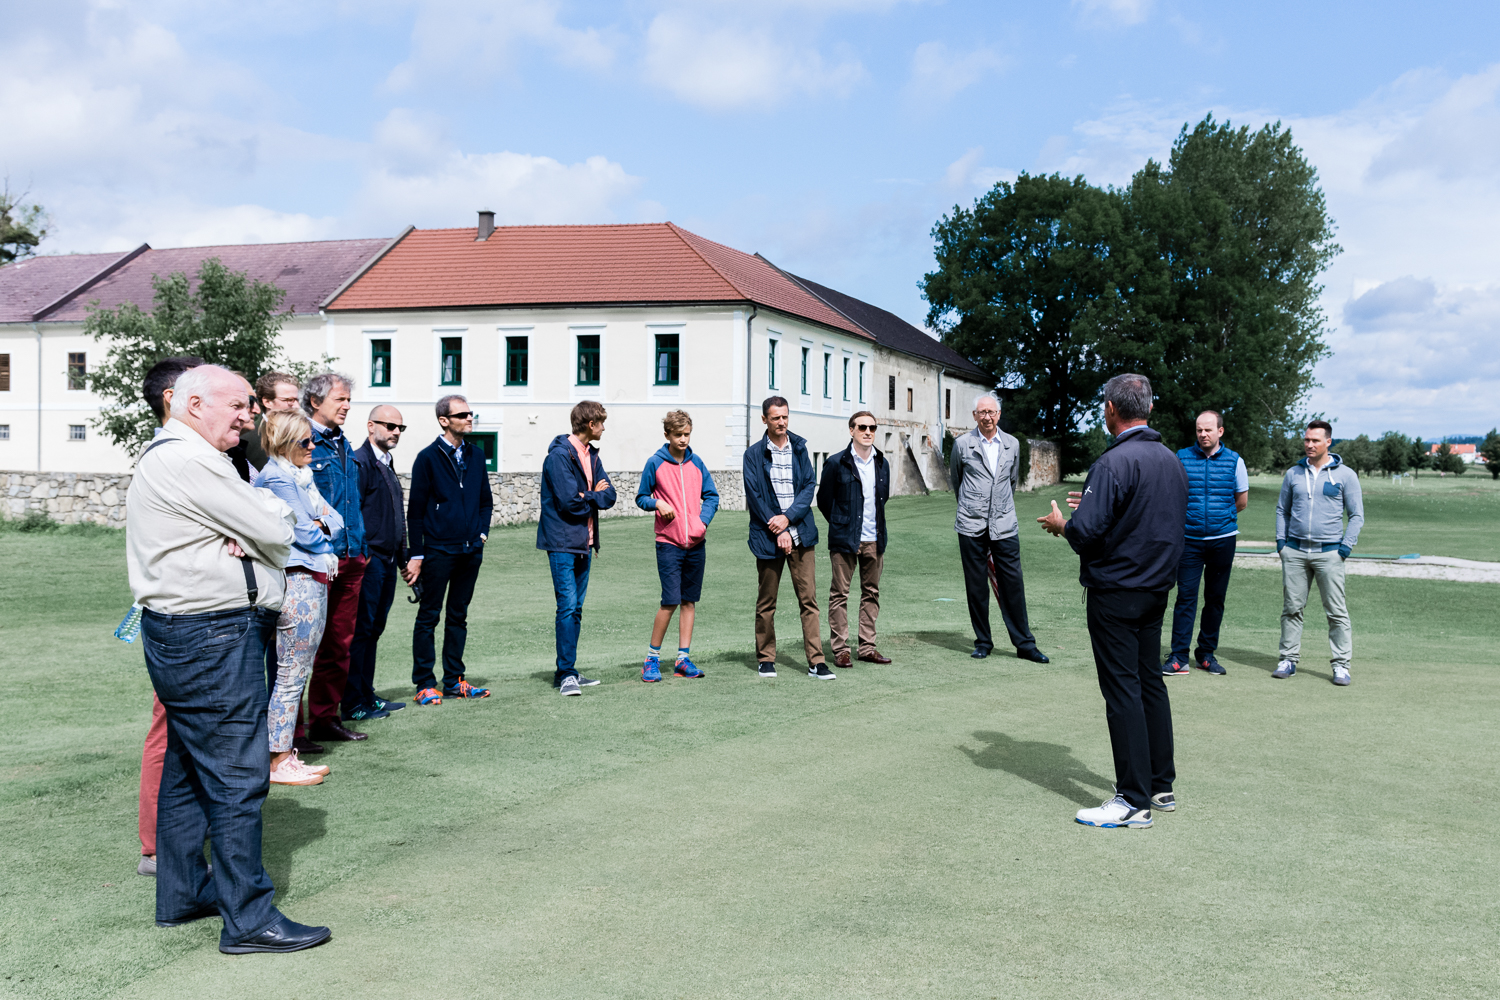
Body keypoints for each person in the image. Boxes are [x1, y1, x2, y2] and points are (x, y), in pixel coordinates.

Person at [127, 363, 330, 952]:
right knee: (239, 775)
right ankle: (249, 919)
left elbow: (266, 526)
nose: (250, 416)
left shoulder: (186, 457)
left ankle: (186, 891)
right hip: (212, 633)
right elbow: (276, 526)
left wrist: (263, 524)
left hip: (192, 631)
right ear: (192, 404)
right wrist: (267, 522)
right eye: (239, 405)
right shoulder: (188, 460)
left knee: (189, 770)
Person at [1038, 373, 1187, 829]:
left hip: (1117, 591)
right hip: (1155, 590)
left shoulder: (1113, 462)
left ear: (1110, 409)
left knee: (1123, 691)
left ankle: (1132, 800)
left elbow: (1084, 535)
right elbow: (1143, 513)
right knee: (1149, 684)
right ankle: (1160, 786)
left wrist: (1064, 523)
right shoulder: (1170, 459)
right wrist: (1098, 507)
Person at [134, 355, 204, 878]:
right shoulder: (168, 458)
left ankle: (179, 833)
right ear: (173, 400)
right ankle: (157, 844)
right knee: (170, 726)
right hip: (181, 615)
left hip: (204, 612)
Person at [253, 410, 342, 786]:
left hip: (312, 575)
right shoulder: (277, 476)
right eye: (306, 441)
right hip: (297, 578)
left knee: (295, 672)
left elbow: (335, 522)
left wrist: (321, 524)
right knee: (290, 674)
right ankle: (277, 760)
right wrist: (320, 525)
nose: (313, 447)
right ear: (286, 442)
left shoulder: (300, 477)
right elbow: (308, 533)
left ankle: (281, 754)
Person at [407, 395, 495, 704]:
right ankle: (424, 683)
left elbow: (485, 500)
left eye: (471, 413)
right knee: (429, 615)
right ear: (445, 420)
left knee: (459, 615)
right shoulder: (427, 458)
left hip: (471, 551)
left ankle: (455, 679)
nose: (470, 418)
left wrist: (481, 534)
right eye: (463, 414)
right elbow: (415, 511)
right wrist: (416, 554)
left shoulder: (475, 454)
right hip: (438, 551)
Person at [949, 393, 1049, 663]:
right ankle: (983, 642)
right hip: (971, 525)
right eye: (982, 412)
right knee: (976, 587)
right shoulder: (962, 445)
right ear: (974, 416)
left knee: (1013, 585)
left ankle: (1025, 645)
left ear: (999, 415)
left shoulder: (1012, 444)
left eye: (992, 412)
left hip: (1004, 525)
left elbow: (1011, 481)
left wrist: (998, 510)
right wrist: (974, 508)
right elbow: (957, 481)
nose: (987, 417)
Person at [298, 372, 369, 746]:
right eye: (339, 400)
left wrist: (361, 550)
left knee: (338, 645)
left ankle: (325, 719)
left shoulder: (344, 445)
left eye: (348, 400)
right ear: (315, 402)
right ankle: (292, 733)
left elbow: (352, 503)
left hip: (352, 559)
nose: (346, 406)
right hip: (316, 562)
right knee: (300, 646)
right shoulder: (301, 442)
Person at [1272, 420, 1365, 686]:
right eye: (1306, 440)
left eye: (1315, 440)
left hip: (1330, 554)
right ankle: (1288, 659)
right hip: (1296, 552)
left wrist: (1345, 548)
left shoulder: (1346, 475)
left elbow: (1357, 515)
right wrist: (1282, 543)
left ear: (1328, 442)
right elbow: (1282, 510)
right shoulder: (1293, 474)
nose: (1309, 445)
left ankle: (1341, 665)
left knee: (1336, 612)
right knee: (1292, 608)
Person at [743, 396, 828, 679]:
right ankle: (766, 658)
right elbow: (755, 497)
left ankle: (816, 661)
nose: (781, 422)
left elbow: (808, 488)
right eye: (776, 417)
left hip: (801, 533)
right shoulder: (753, 454)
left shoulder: (801, 448)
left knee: (809, 600)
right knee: (767, 601)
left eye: (785, 417)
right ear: (764, 419)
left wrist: (788, 521)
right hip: (768, 536)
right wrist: (778, 528)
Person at [537, 400, 616, 696]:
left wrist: (590, 494)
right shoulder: (559, 457)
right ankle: (567, 674)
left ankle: (566, 670)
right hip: (562, 543)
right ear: (590, 425)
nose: (604, 428)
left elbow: (611, 496)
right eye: (602, 423)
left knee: (576, 608)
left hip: (585, 542)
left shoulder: (591, 456)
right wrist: (593, 494)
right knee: (567, 606)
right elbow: (569, 502)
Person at [1164, 410, 1249, 678]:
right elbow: (1171, 494)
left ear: (1220, 431)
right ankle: (1179, 656)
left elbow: (1242, 501)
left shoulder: (1235, 461)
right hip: (1188, 541)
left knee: (1215, 599)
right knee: (1185, 598)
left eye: (1208, 430)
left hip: (1222, 541)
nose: (1203, 434)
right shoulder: (1181, 457)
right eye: (1199, 430)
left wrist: (1220, 519)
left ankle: (1206, 654)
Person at [634, 410, 718, 682]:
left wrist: (701, 523)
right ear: (667, 435)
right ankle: (651, 659)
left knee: (689, 601)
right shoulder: (655, 463)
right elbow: (641, 497)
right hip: (668, 543)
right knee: (670, 600)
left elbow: (711, 497)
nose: (683, 439)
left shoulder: (697, 463)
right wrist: (658, 503)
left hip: (695, 543)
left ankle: (683, 658)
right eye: (678, 435)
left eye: (687, 434)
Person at [345, 405, 410, 720]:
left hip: (387, 560)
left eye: (400, 428)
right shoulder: (360, 462)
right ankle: (352, 703)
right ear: (371, 426)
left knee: (374, 630)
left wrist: (404, 557)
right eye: (390, 426)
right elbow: (354, 512)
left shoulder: (386, 462)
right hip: (369, 560)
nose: (396, 432)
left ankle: (367, 695)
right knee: (360, 630)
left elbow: (398, 514)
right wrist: (365, 554)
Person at [817, 410, 891, 668]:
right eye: (862, 427)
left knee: (871, 593)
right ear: (851, 431)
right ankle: (841, 650)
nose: (868, 432)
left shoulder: (882, 462)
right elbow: (825, 501)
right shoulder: (836, 463)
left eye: (872, 427)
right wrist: (843, 524)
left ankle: (867, 647)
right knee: (840, 595)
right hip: (845, 539)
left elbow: (883, 498)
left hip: (875, 539)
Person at [243, 371, 301, 470]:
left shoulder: (303, 435)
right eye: (289, 401)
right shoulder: (249, 440)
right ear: (267, 402)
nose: (296, 406)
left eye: (296, 400)